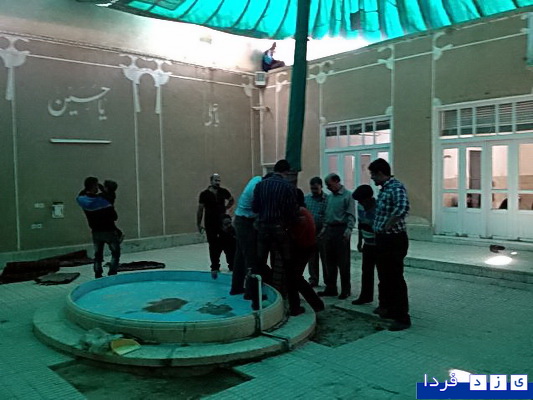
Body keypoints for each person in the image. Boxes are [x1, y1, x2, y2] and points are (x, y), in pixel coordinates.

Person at [369, 158, 411, 331]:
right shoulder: (385, 189)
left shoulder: (396, 187)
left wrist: (387, 225)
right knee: (384, 276)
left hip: (393, 239)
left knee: (395, 277)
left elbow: (402, 208)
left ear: (380, 173)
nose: (372, 178)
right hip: (382, 239)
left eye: (373, 174)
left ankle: (402, 317)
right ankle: (388, 308)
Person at [252, 160, 299, 314]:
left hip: (263, 228)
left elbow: (255, 208)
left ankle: (256, 301)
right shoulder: (287, 187)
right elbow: (291, 212)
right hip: (280, 228)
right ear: (286, 172)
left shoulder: (260, 185)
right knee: (288, 265)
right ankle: (294, 306)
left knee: (259, 264)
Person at [318, 173, 355, 300]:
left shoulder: (348, 196)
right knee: (329, 261)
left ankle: (346, 289)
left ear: (336, 181)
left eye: (329, 185)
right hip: (330, 230)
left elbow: (351, 215)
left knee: (343, 262)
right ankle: (331, 288)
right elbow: (327, 215)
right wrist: (323, 230)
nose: (328, 187)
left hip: (341, 230)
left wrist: (348, 230)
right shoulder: (329, 197)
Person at [76, 176, 121, 278]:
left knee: (98, 255)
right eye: (96, 185)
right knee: (115, 253)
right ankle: (112, 274)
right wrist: (103, 189)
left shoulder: (82, 200)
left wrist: (91, 187)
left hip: (96, 232)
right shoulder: (103, 200)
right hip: (109, 231)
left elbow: (81, 194)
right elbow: (114, 216)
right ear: (94, 186)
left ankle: (98, 273)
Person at [289, 195, 326, 313]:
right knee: (295, 277)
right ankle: (315, 304)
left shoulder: (300, 215)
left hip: (304, 247)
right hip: (306, 247)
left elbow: (295, 236)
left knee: (295, 277)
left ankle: (312, 304)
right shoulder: (302, 211)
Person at [197, 173, 235, 278]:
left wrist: (226, 208)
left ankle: (232, 265)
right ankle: (215, 266)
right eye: (216, 180)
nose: (218, 183)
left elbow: (231, 200)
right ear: (211, 181)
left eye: (219, 180)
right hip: (210, 223)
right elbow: (200, 209)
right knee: (213, 246)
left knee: (228, 244)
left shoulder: (223, 191)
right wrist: (198, 223)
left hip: (222, 222)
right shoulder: (204, 194)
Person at [230, 175, 262, 295]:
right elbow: (258, 209)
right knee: (251, 258)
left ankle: (236, 287)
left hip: (239, 219)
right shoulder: (257, 189)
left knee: (240, 257)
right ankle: (251, 292)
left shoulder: (257, 179)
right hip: (246, 222)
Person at [351, 185, 379, 306]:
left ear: (369, 199)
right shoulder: (360, 206)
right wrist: (359, 241)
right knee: (366, 271)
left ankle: (384, 302)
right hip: (367, 243)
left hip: (378, 245)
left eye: (362, 201)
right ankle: (365, 296)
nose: (360, 203)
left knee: (382, 274)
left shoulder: (378, 208)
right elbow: (361, 224)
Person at [304, 177, 328, 287]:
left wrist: (323, 230)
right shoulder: (307, 199)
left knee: (325, 258)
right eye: (312, 188)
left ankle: (328, 280)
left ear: (321, 187)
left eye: (316, 188)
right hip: (311, 232)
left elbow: (328, 216)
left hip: (324, 232)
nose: (314, 191)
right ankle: (313, 279)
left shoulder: (327, 199)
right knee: (312, 258)